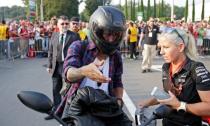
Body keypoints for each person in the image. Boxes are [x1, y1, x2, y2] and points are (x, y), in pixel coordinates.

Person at [55, 6, 128, 121]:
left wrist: (118, 100)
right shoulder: (78, 47)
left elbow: (117, 81)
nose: (111, 39)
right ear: (96, 31)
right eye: (107, 33)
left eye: (115, 35)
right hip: (77, 109)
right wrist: (83, 71)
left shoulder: (116, 56)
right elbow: (68, 73)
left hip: (105, 109)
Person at [138, 28, 210, 126]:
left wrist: (180, 105)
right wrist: (147, 103)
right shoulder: (166, 67)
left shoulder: (196, 69)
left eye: (166, 47)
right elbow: (169, 94)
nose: (161, 52)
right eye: (160, 47)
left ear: (180, 47)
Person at [46, 15, 80, 120]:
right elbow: (51, 51)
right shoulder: (54, 35)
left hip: (69, 66)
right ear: (58, 25)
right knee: (56, 88)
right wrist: (49, 65)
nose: (64, 25)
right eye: (62, 24)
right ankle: (56, 111)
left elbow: (79, 51)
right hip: (56, 66)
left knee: (69, 90)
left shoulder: (74, 36)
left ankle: (68, 112)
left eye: (66, 23)